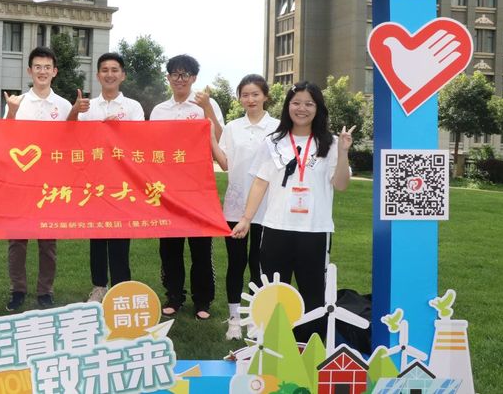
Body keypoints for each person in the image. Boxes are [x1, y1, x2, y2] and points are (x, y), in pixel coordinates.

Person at [232, 81, 353, 342]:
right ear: (288, 106)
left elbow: (341, 185)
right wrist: (246, 219)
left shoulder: (331, 144)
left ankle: (309, 347)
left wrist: (343, 153)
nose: (302, 108)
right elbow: (260, 182)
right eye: (296, 103)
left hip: (315, 230)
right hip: (276, 228)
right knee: (273, 292)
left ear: (318, 108)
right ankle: (271, 345)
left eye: (309, 103)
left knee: (314, 293)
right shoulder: (273, 142)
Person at [149, 54, 224, 320]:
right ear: (168, 77)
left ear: (193, 78)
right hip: (168, 188)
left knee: (200, 247)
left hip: (198, 187)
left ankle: (202, 300)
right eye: (175, 74)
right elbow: (150, 147)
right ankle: (174, 296)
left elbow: (220, 139)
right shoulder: (159, 110)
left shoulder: (205, 104)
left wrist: (207, 109)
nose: (179, 79)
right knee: (170, 248)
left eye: (185, 74)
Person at [68, 52, 144, 303]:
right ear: (98, 75)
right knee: (98, 237)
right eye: (105, 70)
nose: (109, 74)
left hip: (123, 182)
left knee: (121, 238)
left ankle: (121, 288)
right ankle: (99, 286)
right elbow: (70, 135)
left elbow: (139, 142)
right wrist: (75, 111)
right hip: (95, 182)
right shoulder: (87, 107)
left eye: (114, 70)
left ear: (123, 75)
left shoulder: (132, 107)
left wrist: (116, 131)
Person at [210, 75, 279, 340]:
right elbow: (225, 162)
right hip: (235, 205)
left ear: (265, 96)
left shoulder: (278, 127)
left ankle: (255, 318)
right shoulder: (232, 127)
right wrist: (210, 138)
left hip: (267, 206)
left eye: (255, 94)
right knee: (236, 262)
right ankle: (234, 319)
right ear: (239, 98)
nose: (250, 100)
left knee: (259, 264)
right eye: (245, 95)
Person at [3, 46, 72, 311]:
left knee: (48, 242)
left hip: (51, 184)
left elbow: (72, 141)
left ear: (55, 71)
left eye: (47, 67)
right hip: (20, 183)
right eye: (37, 67)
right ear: (29, 71)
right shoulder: (17, 102)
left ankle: (45, 291)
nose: (42, 72)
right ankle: (17, 290)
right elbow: (4, 139)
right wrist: (10, 112)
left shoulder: (63, 106)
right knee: (17, 241)